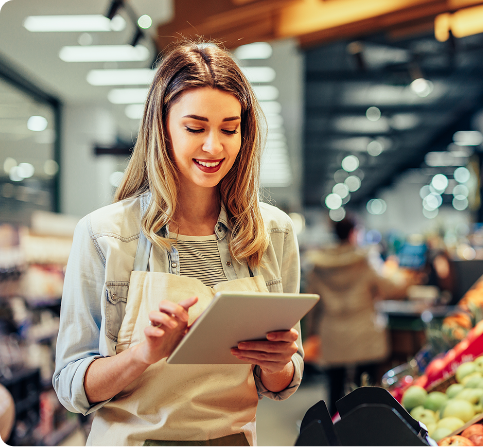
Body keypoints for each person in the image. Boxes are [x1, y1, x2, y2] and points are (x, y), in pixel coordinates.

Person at [53, 41, 303, 447]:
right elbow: (70, 386)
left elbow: (284, 379)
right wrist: (142, 355)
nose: (214, 147)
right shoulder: (105, 235)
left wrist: (277, 366)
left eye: (229, 128)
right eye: (195, 127)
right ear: (162, 127)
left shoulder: (272, 232)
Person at [305, 216, 409, 416]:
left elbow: (312, 303)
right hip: (364, 330)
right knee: (365, 388)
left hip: (332, 331)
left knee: (334, 387)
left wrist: (312, 333)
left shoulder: (319, 265)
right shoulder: (365, 260)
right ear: (354, 233)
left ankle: (335, 432)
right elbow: (390, 287)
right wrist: (401, 274)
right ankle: (363, 430)